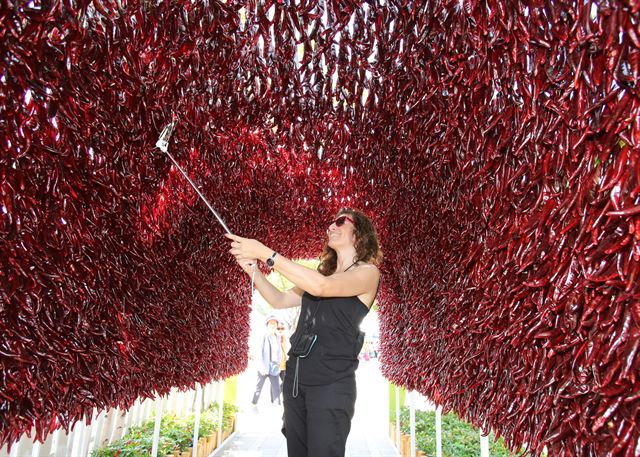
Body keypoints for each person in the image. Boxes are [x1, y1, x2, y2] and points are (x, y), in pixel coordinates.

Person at [227, 208, 382, 457]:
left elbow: (321, 288)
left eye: (341, 222)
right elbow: (279, 299)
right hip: (296, 381)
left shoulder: (367, 273)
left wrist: (265, 253)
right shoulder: (321, 274)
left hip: (332, 385)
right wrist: (252, 270)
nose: (331, 226)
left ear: (359, 233)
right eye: (330, 222)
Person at [251, 315, 282, 407]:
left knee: (276, 387)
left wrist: (279, 364)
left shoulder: (277, 337)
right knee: (258, 387)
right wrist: (261, 366)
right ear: (267, 324)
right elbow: (259, 352)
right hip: (264, 367)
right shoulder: (263, 336)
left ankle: (277, 405)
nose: (273, 325)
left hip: (274, 367)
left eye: (275, 323)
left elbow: (279, 352)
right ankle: (254, 403)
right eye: (271, 323)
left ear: (277, 325)